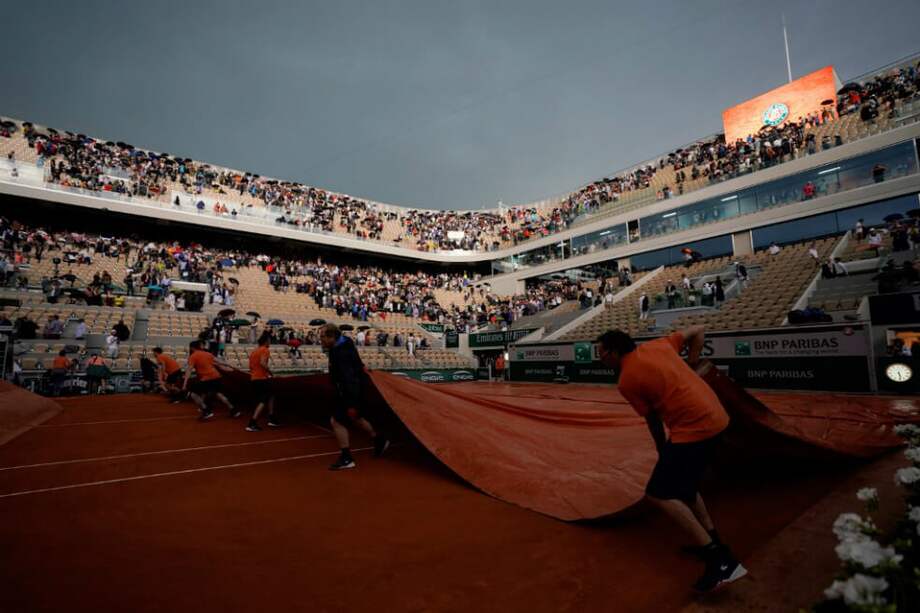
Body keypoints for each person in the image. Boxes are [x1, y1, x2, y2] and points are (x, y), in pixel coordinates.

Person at [596, 327, 746, 593]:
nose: (600, 358)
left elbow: (652, 420)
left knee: (659, 492)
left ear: (614, 351)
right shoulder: (659, 345)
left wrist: (661, 448)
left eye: (602, 353)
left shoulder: (627, 380)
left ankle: (720, 561)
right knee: (686, 488)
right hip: (717, 416)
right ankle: (714, 541)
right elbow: (698, 331)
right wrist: (692, 363)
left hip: (696, 428)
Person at [321, 323, 389, 470]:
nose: (321, 340)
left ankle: (346, 458)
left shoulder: (340, 353)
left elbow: (349, 377)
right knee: (357, 418)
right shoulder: (345, 341)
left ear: (332, 336)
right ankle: (379, 439)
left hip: (350, 391)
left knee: (337, 421)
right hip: (351, 389)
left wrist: (351, 402)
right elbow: (356, 361)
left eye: (323, 337)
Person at [182, 340, 237, 420]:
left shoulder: (193, 356)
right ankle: (233, 410)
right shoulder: (208, 354)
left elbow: (189, 370)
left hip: (207, 378)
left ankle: (206, 410)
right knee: (218, 393)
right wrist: (229, 365)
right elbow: (219, 362)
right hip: (216, 376)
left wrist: (185, 383)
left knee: (193, 393)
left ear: (192, 348)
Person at [246, 332, 280, 432]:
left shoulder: (254, 351)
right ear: (266, 341)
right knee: (263, 400)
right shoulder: (265, 350)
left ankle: (272, 417)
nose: (270, 342)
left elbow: (251, 366)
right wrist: (271, 372)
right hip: (261, 378)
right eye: (269, 340)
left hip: (254, 378)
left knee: (271, 395)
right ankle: (252, 422)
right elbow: (263, 363)